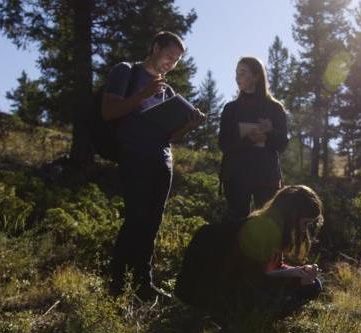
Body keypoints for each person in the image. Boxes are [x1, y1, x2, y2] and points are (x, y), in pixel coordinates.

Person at [102, 31, 205, 302]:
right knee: (135, 218)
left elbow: (169, 136)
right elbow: (109, 111)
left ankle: (143, 284)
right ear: (155, 47)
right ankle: (117, 285)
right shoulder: (126, 71)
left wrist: (188, 125)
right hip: (134, 155)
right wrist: (143, 94)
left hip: (162, 160)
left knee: (152, 222)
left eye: (177, 60)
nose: (172, 62)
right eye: (169, 55)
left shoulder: (168, 90)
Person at [178, 185, 323, 318]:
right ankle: (240, 316)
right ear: (293, 215)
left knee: (312, 284)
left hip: (244, 283)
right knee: (307, 289)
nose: (304, 229)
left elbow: (270, 268)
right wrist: (293, 280)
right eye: (305, 223)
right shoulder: (264, 228)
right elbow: (253, 278)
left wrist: (297, 271)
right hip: (230, 290)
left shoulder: (274, 224)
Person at [218, 57, 289, 220]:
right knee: (236, 226)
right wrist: (248, 139)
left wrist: (270, 133)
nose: (237, 77)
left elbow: (283, 144)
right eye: (236, 73)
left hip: (266, 177)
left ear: (257, 76)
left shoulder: (275, 108)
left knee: (266, 225)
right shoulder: (231, 109)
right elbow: (223, 144)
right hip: (236, 176)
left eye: (242, 72)